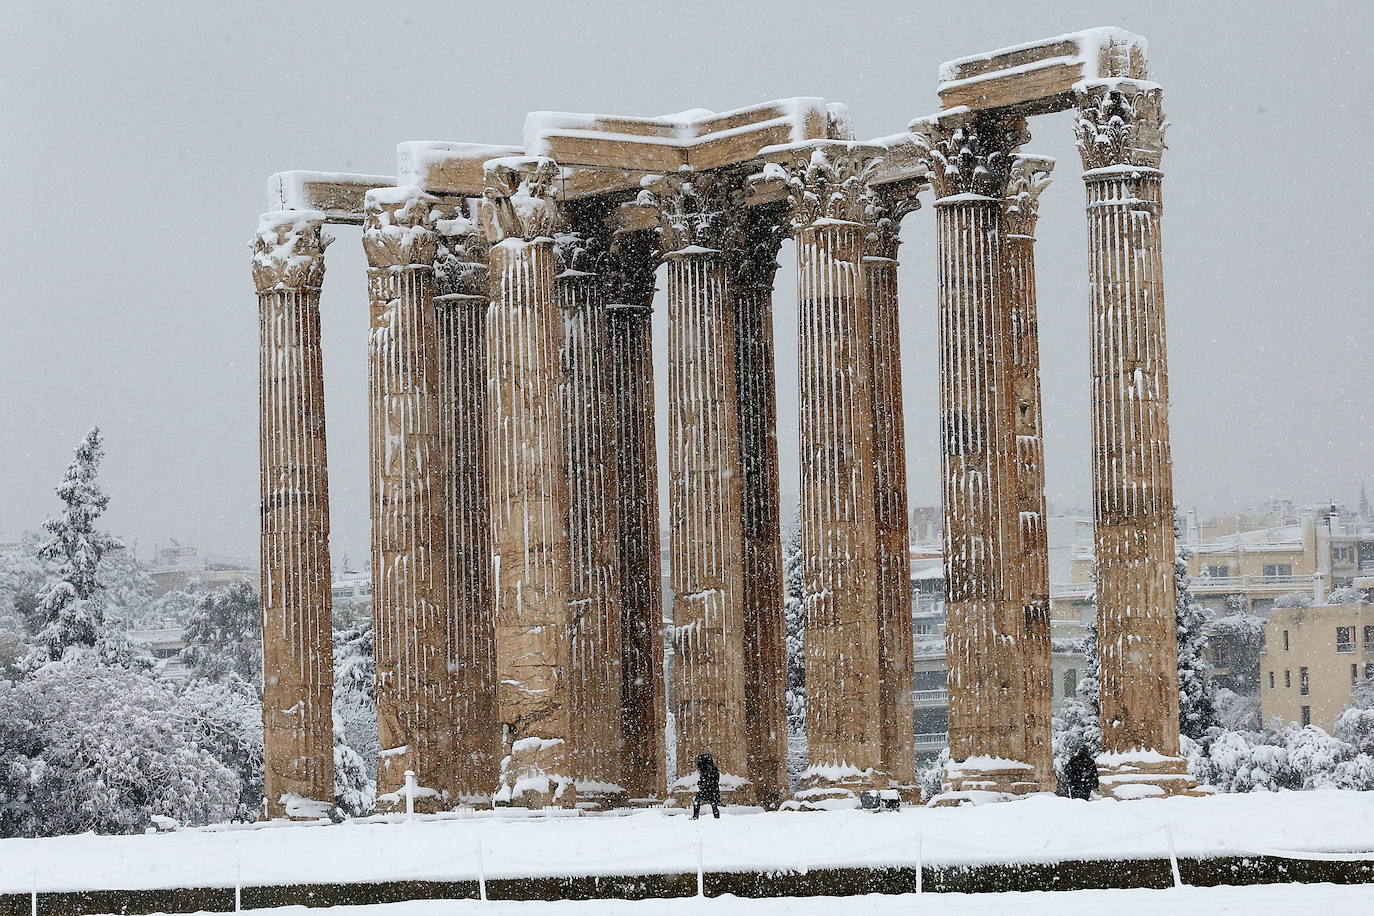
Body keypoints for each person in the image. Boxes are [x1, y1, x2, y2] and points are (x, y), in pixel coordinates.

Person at [691, 752, 721, 820]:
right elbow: (716, 780)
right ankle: (716, 817)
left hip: (707, 790)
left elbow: (705, 781)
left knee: (697, 800)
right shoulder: (714, 769)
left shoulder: (705, 769)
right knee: (713, 804)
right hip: (713, 790)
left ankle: (695, 816)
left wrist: (701, 784)